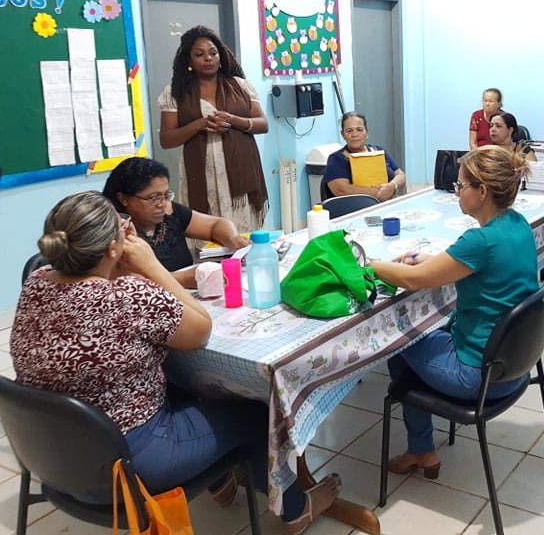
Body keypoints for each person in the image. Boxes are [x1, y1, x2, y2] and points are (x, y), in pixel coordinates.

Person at [11, 192, 340, 534]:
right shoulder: (127, 297)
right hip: (127, 463)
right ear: (112, 248)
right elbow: (200, 330)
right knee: (259, 408)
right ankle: (295, 509)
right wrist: (150, 265)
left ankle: (222, 481)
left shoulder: (37, 281)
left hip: (52, 456)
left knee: (183, 385)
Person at [371, 146, 538, 477]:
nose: (456, 192)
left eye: (460, 186)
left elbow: (413, 280)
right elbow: (459, 265)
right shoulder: (517, 224)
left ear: (482, 191)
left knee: (398, 344)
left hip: (477, 376)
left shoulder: (480, 240)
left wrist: (371, 265)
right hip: (513, 367)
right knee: (432, 330)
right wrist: (429, 263)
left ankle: (421, 449)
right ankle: (422, 447)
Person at [158, 25, 269, 233]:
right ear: (188, 60)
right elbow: (167, 139)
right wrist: (200, 124)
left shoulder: (240, 85)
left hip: (241, 172)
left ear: (221, 56)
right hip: (202, 174)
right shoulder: (176, 92)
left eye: (213, 53)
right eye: (199, 54)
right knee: (208, 234)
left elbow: (263, 124)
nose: (208, 58)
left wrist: (235, 120)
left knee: (244, 235)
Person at [103, 157, 249, 288]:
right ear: (123, 199)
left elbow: (215, 225)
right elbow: (123, 282)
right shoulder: (113, 231)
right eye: (153, 197)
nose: (161, 203)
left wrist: (232, 239)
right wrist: (182, 279)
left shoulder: (168, 210)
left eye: (165, 195)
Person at [321, 111, 406, 201]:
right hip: (355, 210)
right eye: (349, 131)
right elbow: (342, 190)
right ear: (343, 135)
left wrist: (392, 186)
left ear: (367, 132)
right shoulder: (337, 159)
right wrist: (381, 193)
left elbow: (401, 175)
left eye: (359, 130)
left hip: (386, 204)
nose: (355, 135)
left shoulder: (379, 151)